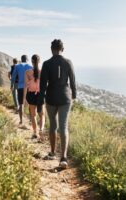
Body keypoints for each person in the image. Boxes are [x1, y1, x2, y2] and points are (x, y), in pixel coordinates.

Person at [38, 39, 76, 169]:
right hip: (65, 98)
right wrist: (74, 96)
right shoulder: (68, 62)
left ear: (51, 49)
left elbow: (42, 86)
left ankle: (53, 152)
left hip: (51, 98)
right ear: (62, 49)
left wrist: (39, 103)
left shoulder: (47, 64)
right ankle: (64, 158)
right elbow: (73, 82)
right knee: (63, 127)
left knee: (53, 126)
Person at [23, 54, 45, 141]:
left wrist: (24, 99)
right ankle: (41, 130)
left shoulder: (27, 72)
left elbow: (25, 86)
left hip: (31, 95)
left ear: (31, 62)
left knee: (33, 115)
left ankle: (35, 132)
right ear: (39, 61)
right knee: (42, 115)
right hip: (40, 95)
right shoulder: (42, 72)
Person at [11, 55, 33, 125]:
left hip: (20, 87)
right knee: (30, 104)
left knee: (21, 104)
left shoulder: (17, 66)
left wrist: (12, 85)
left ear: (21, 59)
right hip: (28, 88)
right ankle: (30, 119)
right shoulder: (30, 66)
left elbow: (13, 76)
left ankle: (21, 120)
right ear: (27, 59)